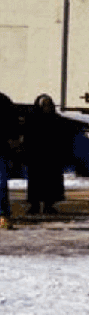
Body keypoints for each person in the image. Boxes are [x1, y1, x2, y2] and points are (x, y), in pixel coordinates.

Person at [23, 94, 69, 216]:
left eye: (49, 105)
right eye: (45, 105)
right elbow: (28, 138)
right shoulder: (33, 120)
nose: (47, 108)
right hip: (37, 156)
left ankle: (49, 205)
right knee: (36, 181)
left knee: (52, 181)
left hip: (52, 156)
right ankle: (35, 205)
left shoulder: (57, 120)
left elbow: (63, 138)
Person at [0, 92, 16, 229]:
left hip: (1, 148)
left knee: (1, 183)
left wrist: (13, 140)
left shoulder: (3, 101)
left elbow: (13, 122)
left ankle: (3, 215)